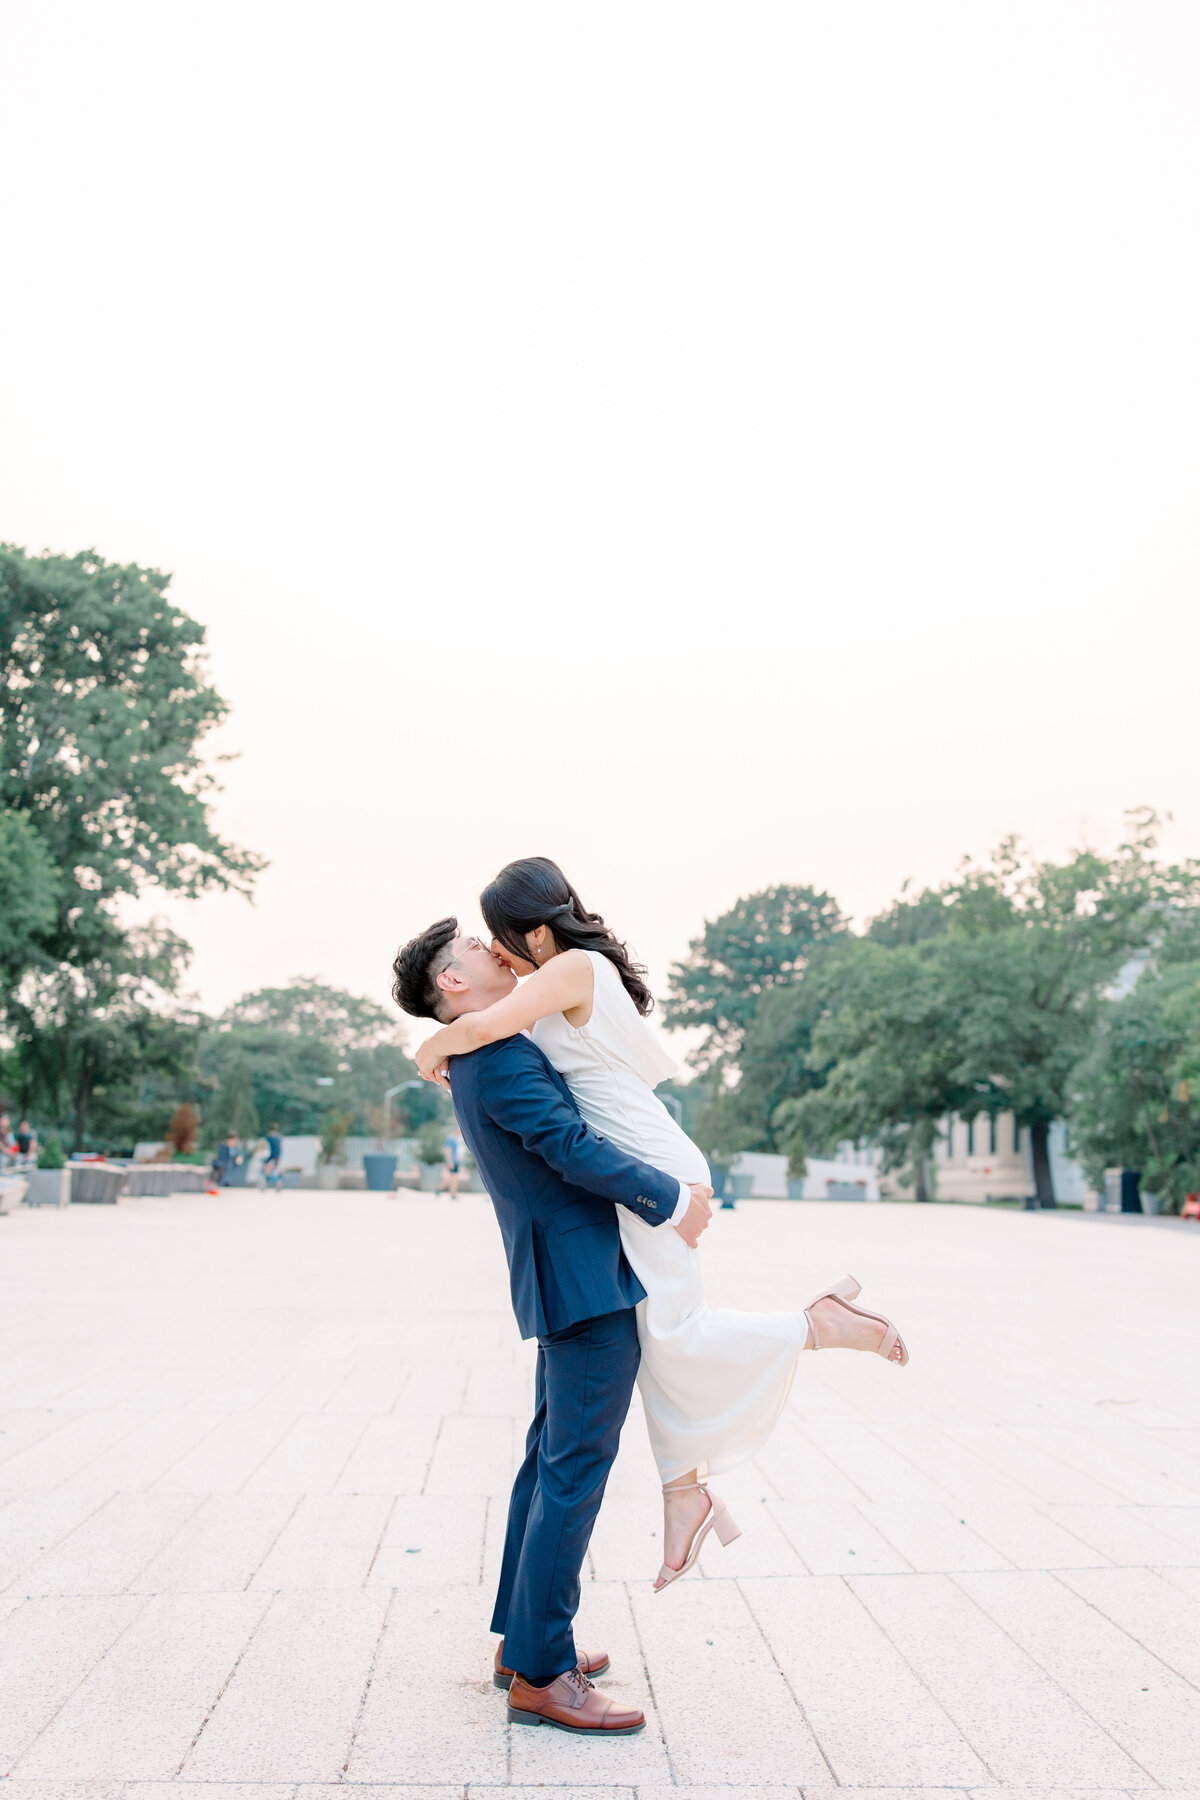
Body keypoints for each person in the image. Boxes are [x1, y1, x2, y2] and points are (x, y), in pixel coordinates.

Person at [413, 857, 909, 1593]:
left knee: (674, 1331)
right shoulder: (564, 975)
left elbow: (480, 1025)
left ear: (536, 931)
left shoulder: (570, 969)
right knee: (661, 1332)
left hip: (649, 1164)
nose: (499, 951)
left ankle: (818, 1325)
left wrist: (430, 1048)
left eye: (501, 936)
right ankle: (685, 1495)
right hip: (644, 1156)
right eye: (484, 944)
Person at [392, 920, 714, 1736]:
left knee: (549, 1466)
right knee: (573, 1472)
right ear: (453, 984)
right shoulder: (496, 1056)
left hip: (567, 1275)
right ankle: (543, 1673)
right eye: (470, 947)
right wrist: (672, 1201)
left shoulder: (486, 1044)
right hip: (582, 1283)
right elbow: (569, 1146)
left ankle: (525, 1642)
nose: (489, 949)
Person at [442, 1128, 462, 1197]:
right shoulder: (451, 1139)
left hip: (455, 1161)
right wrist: (449, 1161)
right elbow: (448, 1150)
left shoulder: (457, 1140)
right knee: (452, 1177)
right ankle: (440, 1189)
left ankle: (453, 1193)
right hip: (452, 1161)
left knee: (454, 1178)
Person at [262, 1123, 283, 1188]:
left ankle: (267, 1178)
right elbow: (281, 1146)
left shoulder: (269, 1137)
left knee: (266, 1165)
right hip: (277, 1155)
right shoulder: (279, 1137)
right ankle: (278, 1179)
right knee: (276, 1166)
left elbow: (264, 1145)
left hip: (271, 1155)